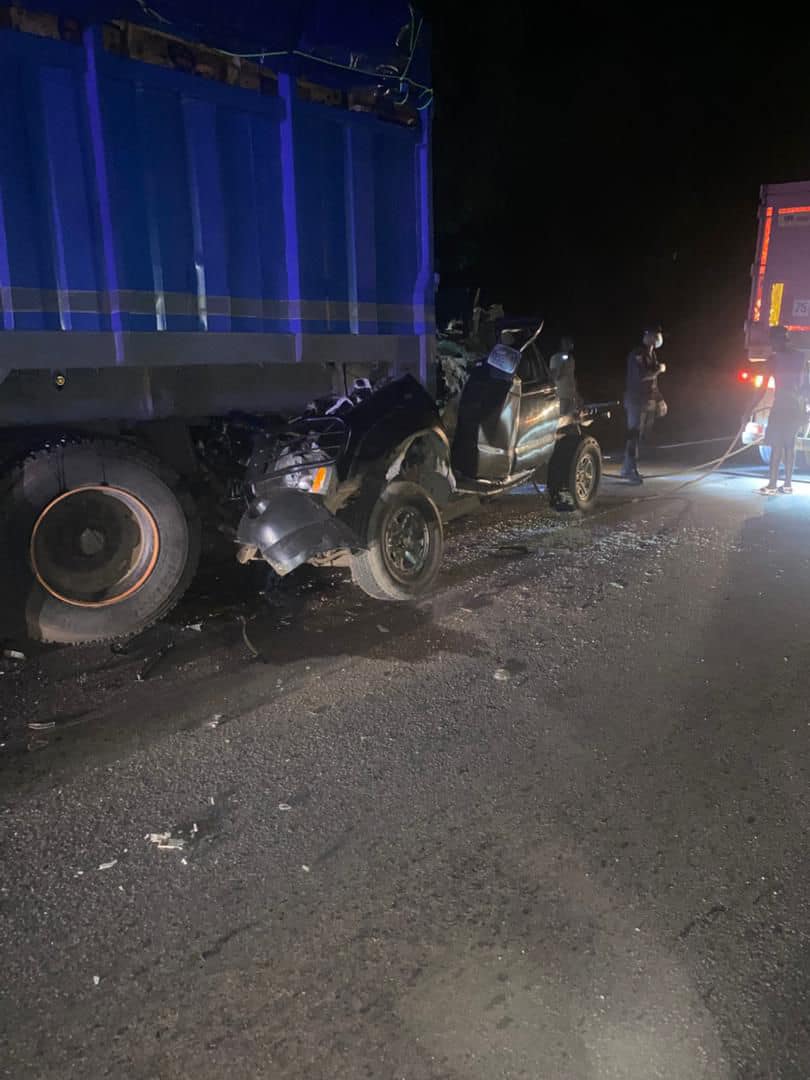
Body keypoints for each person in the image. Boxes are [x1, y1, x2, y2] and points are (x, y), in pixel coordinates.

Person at [759, 325, 807, 495]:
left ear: (778, 339)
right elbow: (804, 384)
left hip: (781, 405)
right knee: (790, 444)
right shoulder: (801, 356)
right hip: (796, 406)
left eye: (773, 340)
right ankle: (787, 484)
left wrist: (747, 411)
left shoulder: (773, 359)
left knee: (777, 444)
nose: (771, 344)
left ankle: (772, 484)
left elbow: (761, 389)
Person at [621, 327, 667, 484]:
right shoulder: (638, 354)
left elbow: (653, 384)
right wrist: (659, 370)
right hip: (635, 401)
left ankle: (627, 468)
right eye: (655, 334)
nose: (658, 337)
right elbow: (642, 376)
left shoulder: (652, 354)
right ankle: (630, 469)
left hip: (646, 401)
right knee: (633, 436)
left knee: (638, 436)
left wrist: (660, 400)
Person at [549, 335, 579, 416]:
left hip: (571, 396)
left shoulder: (571, 359)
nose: (569, 344)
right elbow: (554, 376)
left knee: (570, 422)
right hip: (561, 397)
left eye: (570, 342)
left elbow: (572, 376)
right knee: (562, 420)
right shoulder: (556, 358)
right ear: (562, 344)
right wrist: (561, 366)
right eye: (566, 342)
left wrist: (577, 394)